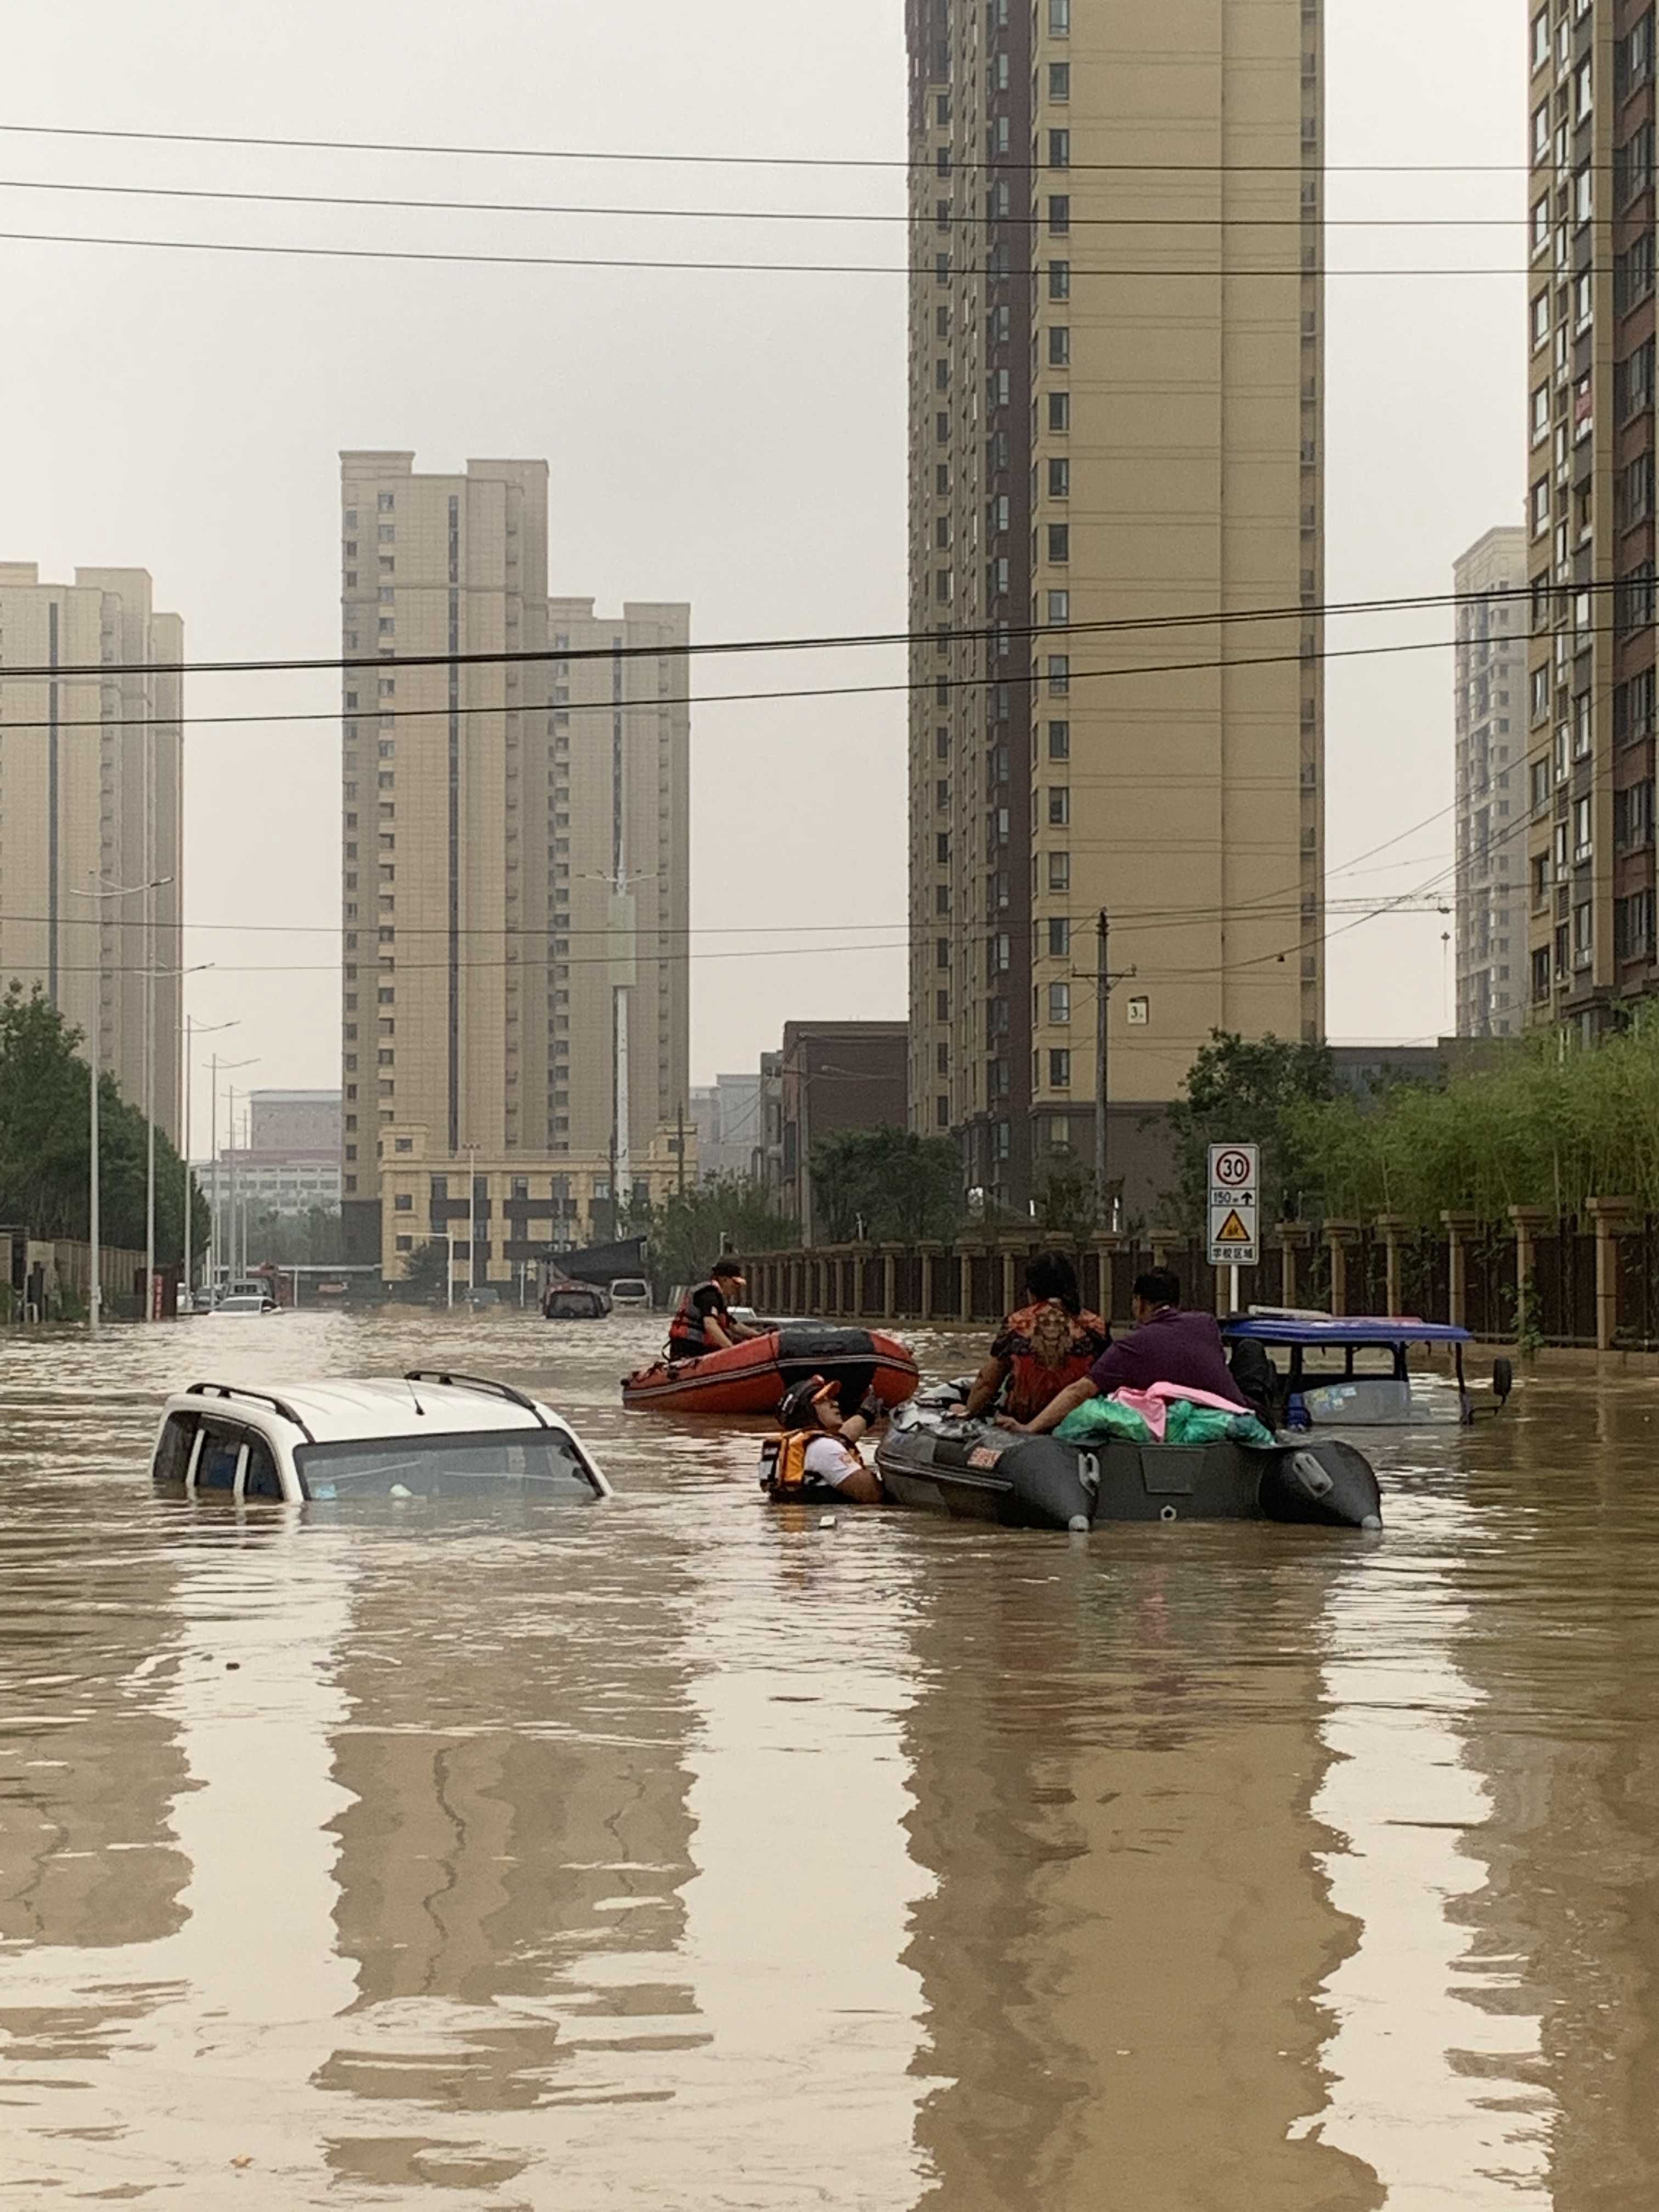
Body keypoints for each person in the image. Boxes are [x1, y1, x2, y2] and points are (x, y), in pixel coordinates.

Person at [1011, 1268, 1248, 1434]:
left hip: (1179, 1429)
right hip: (1237, 1416)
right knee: (1250, 1352)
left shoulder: (1131, 1347)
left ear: (1140, 1303)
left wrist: (1030, 1427)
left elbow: (1078, 1391)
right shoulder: (1206, 1324)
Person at [963, 1250, 1110, 1424]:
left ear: (1032, 1290)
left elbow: (987, 1383)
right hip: (1076, 1421)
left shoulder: (1016, 1324)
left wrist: (967, 1412)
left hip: (1021, 1420)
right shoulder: (1096, 1326)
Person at [761, 1375, 887, 1504]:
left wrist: (866, 1415)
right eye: (824, 1399)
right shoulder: (823, 1447)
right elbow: (871, 1493)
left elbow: (841, 1439)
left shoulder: (801, 1444)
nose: (835, 1403)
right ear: (807, 1410)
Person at [668, 1259, 763, 1361]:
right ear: (724, 1280)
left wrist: (758, 1335)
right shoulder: (709, 1295)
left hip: (697, 1348)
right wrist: (731, 1349)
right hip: (688, 1348)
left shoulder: (718, 1299)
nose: (737, 1288)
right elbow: (710, 1324)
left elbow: (734, 1325)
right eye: (735, 1283)